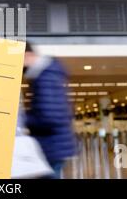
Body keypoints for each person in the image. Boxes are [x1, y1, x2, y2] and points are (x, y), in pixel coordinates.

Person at [23, 42, 76, 178]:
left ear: (27, 55)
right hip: (53, 146)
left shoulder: (46, 77)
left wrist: (22, 119)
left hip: (51, 147)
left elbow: (50, 116)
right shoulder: (45, 74)